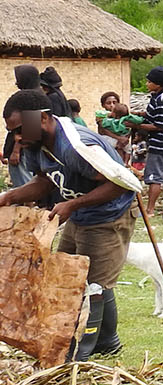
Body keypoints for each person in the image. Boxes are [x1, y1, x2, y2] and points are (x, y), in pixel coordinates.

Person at [1, 89, 140, 359]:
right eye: (12, 132)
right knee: (67, 274)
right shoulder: (36, 144)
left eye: (19, 129)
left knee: (92, 284)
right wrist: (8, 197)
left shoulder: (77, 146)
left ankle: (80, 355)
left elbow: (119, 185)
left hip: (110, 214)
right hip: (80, 213)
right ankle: (108, 342)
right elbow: (45, 180)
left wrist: (72, 205)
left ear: (41, 118)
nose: (17, 138)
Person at [135, 66, 163, 217]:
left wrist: (136, 125)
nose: (147, 84)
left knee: (154, 177)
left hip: (162, 143)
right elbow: (151, 115)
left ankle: (150, 210)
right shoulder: (160, 96)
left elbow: (159, 126)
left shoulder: (162, 100)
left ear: (158, 84)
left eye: (149, 82)